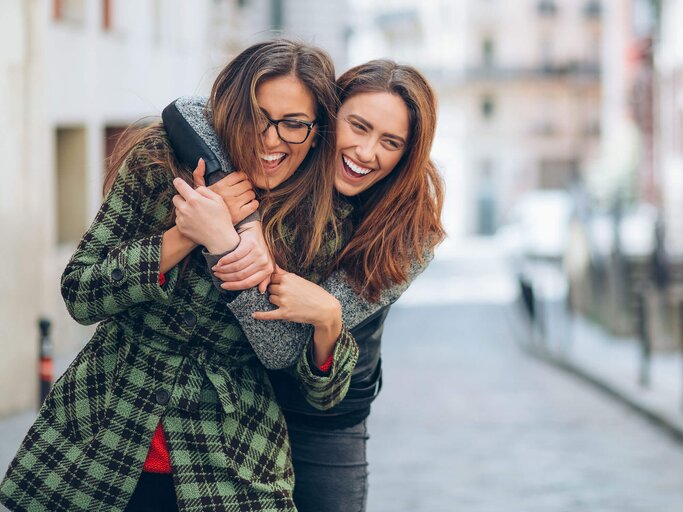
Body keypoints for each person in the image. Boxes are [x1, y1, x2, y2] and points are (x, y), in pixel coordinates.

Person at [0, 40, 359, 512]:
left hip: (231, 464)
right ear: (230, 109)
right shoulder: (160, 160)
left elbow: (321, 392)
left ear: (316, 133)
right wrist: (184, 235)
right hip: (100, 437)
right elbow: (80, 294)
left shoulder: (322, 224)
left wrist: (328, 320)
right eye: (257, 116)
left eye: (294, 124)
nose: (271, 140)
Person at [167, 59, 445, 512]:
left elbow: (284, 344)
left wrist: (327, 313)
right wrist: (246, 220)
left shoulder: (411, 236)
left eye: (390, 142)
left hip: (326, 415)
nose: (367, 152)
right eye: (358, 126)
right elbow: (186, 109)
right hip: (243, 396)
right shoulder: (287, 156)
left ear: (407, 153)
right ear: (326, 118)